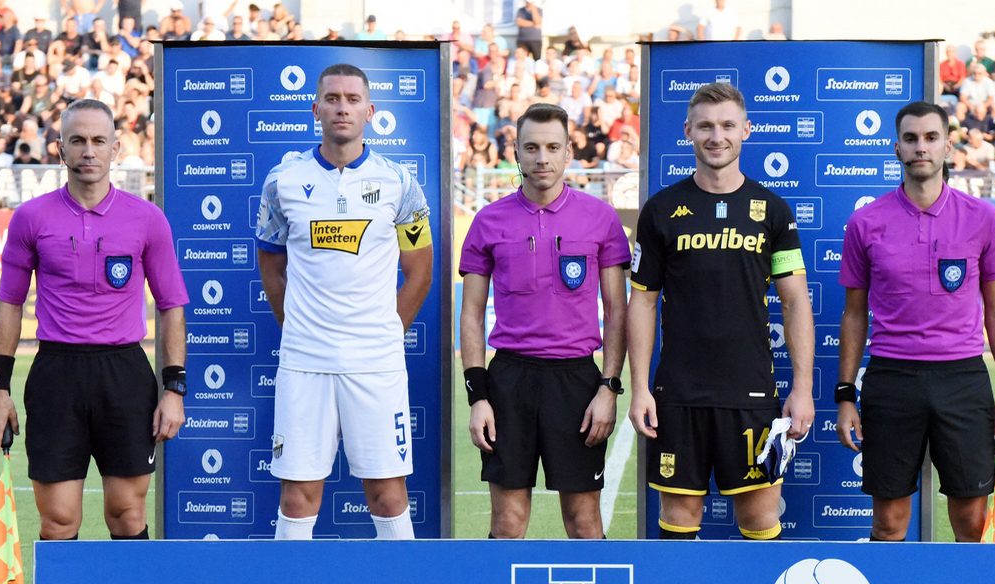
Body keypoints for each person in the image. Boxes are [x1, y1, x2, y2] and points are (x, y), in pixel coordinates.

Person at [0, 98, 188, 584]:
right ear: (60, 149)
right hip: (56, 375)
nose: (88, 151)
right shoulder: (31, 217)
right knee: (58, 520)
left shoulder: (147, 219)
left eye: (99, 141)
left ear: (116, 149)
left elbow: (171, 305)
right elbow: (9, 303)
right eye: (77, 140)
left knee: (127, 513)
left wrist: (173, 388)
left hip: (124, 375)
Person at [627, 82, 815, 540]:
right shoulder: (660, 210)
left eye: (728, 125)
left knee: (760, 520)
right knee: (679, 520)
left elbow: (795, 301)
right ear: (687, 131)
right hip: (679, 393)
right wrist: (639, 388)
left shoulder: (773, 211)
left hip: (750, 392)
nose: (717, 136)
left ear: (746, 130)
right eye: (706, 126)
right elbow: (643, 301)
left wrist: (803, 388)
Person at [256, 64, 432, 542]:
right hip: (304, 361)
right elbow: (270, 264)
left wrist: (386, 335)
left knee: (388, 494)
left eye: (353, 99)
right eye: (332, 98)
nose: (342, 107)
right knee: (297, 497)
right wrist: (296, 326)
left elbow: (420, 272)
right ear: (316, 109)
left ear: (370, 112)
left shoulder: (400, 182)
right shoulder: (282, 181)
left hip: (375, 362)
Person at [835, 101, 995, 543]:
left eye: (931, 138)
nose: (921, 147)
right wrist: (845, 395)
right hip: (892, 380)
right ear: (896, 148)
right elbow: (854, 314)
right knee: (888, 523)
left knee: (972, 522)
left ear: (948, 146)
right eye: (911, 138)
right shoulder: (865, 222)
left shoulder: (983, 218)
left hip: (962, 379)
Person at [459, 103, 629, 539]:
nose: (542, 158)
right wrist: (478, 396)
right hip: (509, 381)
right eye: (531, 147)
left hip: (575, 382)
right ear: (516, 151)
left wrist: (609, 388)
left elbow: (617, 310)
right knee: (508, 523)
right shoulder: (487, 221)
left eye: (553, 147)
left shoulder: (601, 218)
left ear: (569, 152)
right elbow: (472, 314)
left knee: (584, 522)